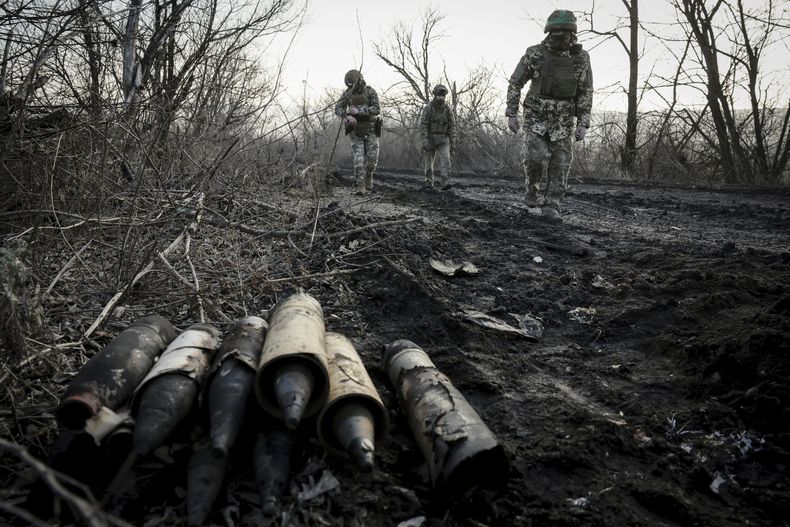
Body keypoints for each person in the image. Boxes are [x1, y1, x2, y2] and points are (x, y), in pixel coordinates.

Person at [506, 9, 593, 222]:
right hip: (536, 116)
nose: (558, 35)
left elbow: (585, 91)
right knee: (535, 158)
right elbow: (516, 82)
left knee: (561, 164)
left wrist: (583, 122)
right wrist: (511, 113)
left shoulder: (581, 58)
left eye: (563, 31)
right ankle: (532, 190)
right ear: (548, 30)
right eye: (555, 30)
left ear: (572, 33)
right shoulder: (534, 53)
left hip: (563, 120)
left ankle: (553, 205)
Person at [334, 69, 381, 195]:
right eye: (349, 86)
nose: (351, 88)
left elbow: (377, 109)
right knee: (358, 161)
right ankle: (360, 186)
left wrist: (360, 111)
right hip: (355, 129)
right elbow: (337, 108)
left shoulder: (370, 92)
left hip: (371, 128)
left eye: (352, 85)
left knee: (372, 159)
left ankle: (369, 176)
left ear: (359, 81)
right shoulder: (347, 94)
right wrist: (346, 116)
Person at [419, 84, 456, 190]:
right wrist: (425, 141)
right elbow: (424, 125)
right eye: (439, 95)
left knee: (446, 160)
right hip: (430, 139)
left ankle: (445, 181)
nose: (441, 98)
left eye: (443, 96)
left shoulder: (448, 110)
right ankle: (429, 181)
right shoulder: (428, 108)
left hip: (444, 139)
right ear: (435, 95)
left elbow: (452, 127)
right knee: (429, 163)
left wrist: (453, 142)